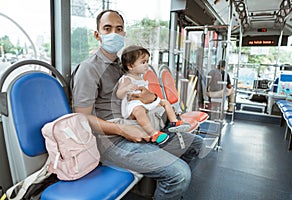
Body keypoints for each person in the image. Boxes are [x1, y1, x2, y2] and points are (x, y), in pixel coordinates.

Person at [72, 9, 205, 200]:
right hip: (112, 140)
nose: (114, 34)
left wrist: (150, 97)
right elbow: (82, 117)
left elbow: (141, 98)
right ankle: (170, 179)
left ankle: (166, 187)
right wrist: (123, 131)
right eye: (107, 29)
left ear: (124, 35)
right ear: (97, 35)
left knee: (196, 144)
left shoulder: (125, 65)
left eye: (119, 29)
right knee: (179, 174)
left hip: (139, 126)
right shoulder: (89, 69)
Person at [117, 45, 191, 144]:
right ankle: (153, 133)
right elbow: (119, 94)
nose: (146, 65)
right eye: (143, 62)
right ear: (130, 66)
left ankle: (174, 122)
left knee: (165, 102)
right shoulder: (127, 78)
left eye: (147, 61)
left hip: (145, 102)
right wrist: (126, 88)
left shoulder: (140, 77)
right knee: (139, 110)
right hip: (134, 105)